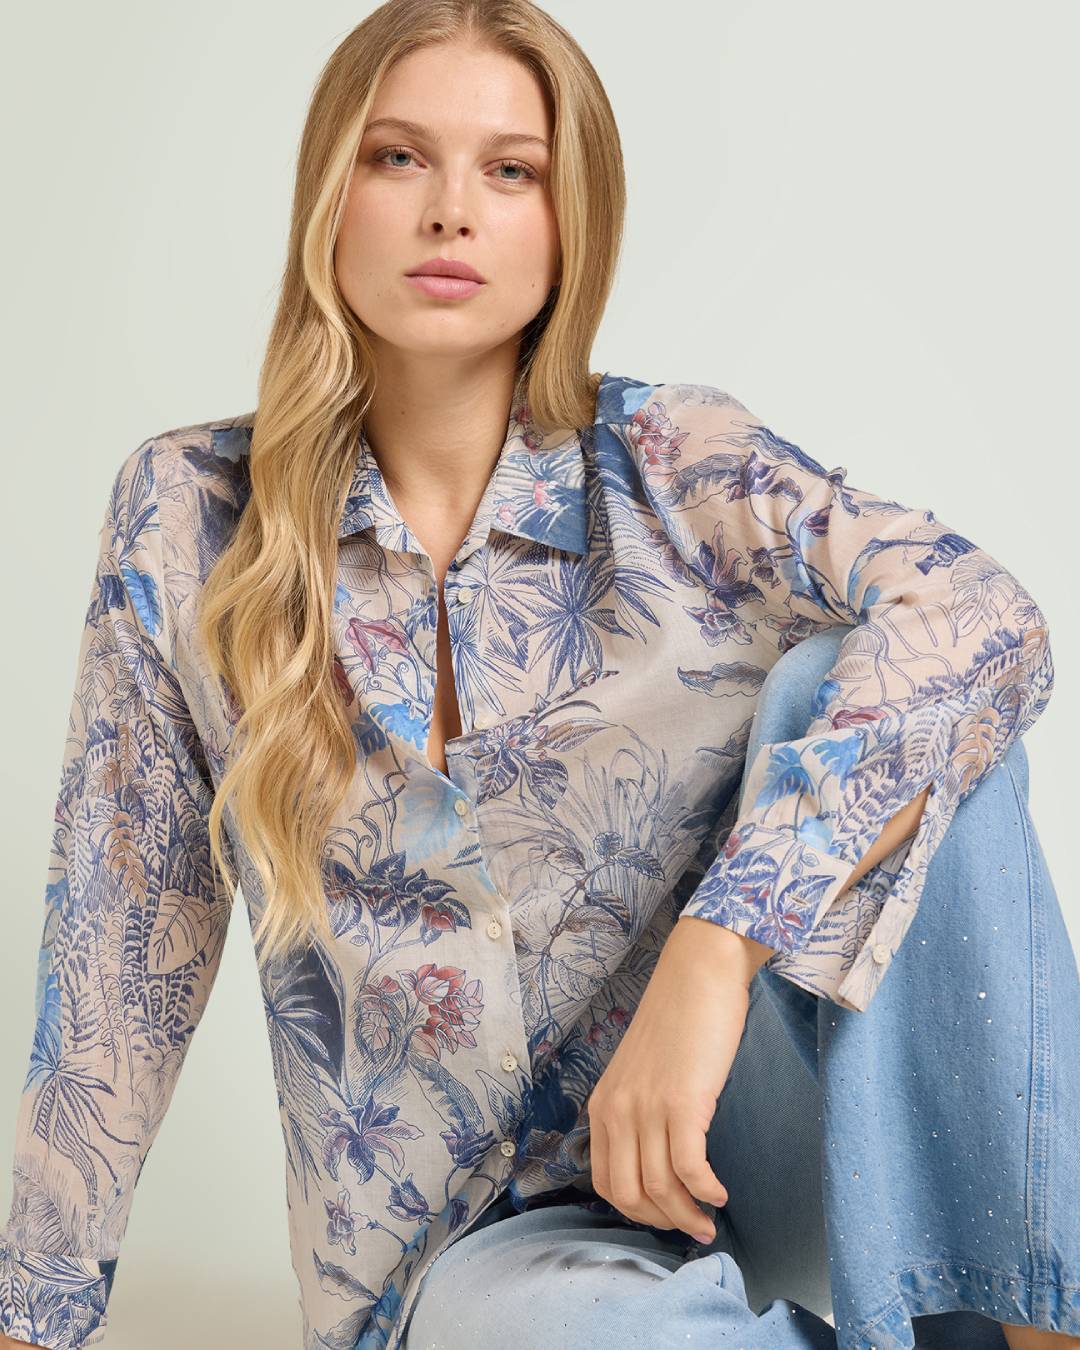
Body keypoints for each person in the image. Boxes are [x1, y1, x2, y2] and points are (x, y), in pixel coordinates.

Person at [0, 2, 1076, 1348]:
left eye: (511, 170)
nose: (451, 209)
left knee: (873, 690)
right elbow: (122, 937)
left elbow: (986, 616)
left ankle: (1031, 1325)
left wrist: (716, 950)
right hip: (490, 1246)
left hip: (770, 1123)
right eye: (399, 156)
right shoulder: (191, 513)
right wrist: (32, 1319)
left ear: (572, 223)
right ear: (328, 192)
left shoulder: (674, 462)